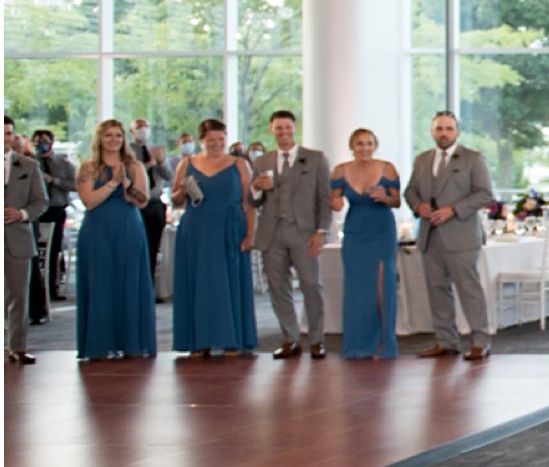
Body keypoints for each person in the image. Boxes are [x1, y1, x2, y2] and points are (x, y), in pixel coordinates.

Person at [405, 111, 496, 362]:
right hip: (429, 235)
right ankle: (445, 341)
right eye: (439, 129)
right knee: (436, 290)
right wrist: (418, 206)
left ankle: (480, 341)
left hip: (461, 236)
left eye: (448, 129)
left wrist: (453, 209)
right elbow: (410, 190)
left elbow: (485, 193)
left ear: (457, 132)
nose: (443, 133)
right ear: (432, 132)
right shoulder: (422, 159)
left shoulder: (472, 159)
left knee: (469, 289)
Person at [169, 118, 259, 358]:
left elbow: (249, 203)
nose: (217, 144)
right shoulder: (187, 164)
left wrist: (250, 234)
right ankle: (199, 341)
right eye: (211, 140)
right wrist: (182, 191)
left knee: (228, 281)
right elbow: (175, 200)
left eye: (221, 140)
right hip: (196, 227)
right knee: (198, 281)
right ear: (202, 141)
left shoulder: (239, 164)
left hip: (229, 227)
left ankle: (231, 339)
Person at [249, 110, 333, 359]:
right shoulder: (261, 162)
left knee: (310, 285)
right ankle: (290, 338)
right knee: (278, 287)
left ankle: (317, 339)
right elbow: (254, 202)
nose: (283, 132)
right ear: (271, 130)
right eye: (278, 128)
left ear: (295, 129)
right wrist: (255, 189)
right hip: (272, 233)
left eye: (287, 127)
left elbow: (324, 197)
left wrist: (322, 231)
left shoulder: (315, 158)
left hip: (304, 232)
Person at [73, 119, 158, 362]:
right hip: (97, 231)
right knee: (100, 284)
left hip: (128, 228)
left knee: (129, 282)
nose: (114, 140)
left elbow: (142, 201)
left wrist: (128, 186)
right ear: (100, 139)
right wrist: (112, 183)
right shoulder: (88, 168)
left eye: (118, 135)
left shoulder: (135, 166)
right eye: (109, 135)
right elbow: (89, 201)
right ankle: (99, 344)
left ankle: (131, 342)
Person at [330, 128, 402, 360]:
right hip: (354, 232)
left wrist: (386, 198)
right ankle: (358, 344)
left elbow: (397, 201)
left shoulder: (387, 168)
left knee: (383, 285)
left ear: (375, 145)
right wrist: (333, 199)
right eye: (360, 144)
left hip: (382, 230)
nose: (365, 148)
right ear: (352, 146)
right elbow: (335, 204)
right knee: (357, 288)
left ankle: (384, 344)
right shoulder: (340, 170)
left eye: (369, 143)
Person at [6, 116, 50, 365]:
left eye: (8, 133)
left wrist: (22, 214)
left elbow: (41, 202)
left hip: (18, 237)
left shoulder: (29, 166)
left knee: (18, 296)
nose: (5, 138)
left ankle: (17, 347)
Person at [30, 129, 76, 306]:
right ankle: (37, 290)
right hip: (36, 212)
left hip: (56, 210)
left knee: (54, 250)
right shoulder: (30, 163)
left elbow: (76, 185)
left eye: (44, 140)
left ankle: (53, 286)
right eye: (37, 141)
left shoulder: (64, 163)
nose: (40, 144)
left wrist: (54, 180)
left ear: (51, 142)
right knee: (35, 251)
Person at [130, 119, 171, 282]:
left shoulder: (155, 150)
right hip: (136, 204)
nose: (143, 130)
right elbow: (131, 175)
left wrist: (160, 162)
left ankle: (150, 283)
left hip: (155, 203)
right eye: (139, 127)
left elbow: (168, 175)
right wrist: (147, 165)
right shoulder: (127, 151)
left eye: (146, 127)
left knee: (153, 247)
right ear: (132, 131)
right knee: (136, 246)